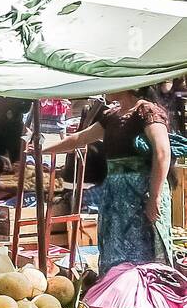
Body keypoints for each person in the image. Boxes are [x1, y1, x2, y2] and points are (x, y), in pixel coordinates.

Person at [45, 88, 172, 274]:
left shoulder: (147, 112)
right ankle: (115, 293)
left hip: (140, 196)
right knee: (115, 252)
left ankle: (144, 298)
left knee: (143, 253)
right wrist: (42, 150)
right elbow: (79, 139)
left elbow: (162, 153)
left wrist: (155, 196)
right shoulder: (111, 116)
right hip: (115, 198)